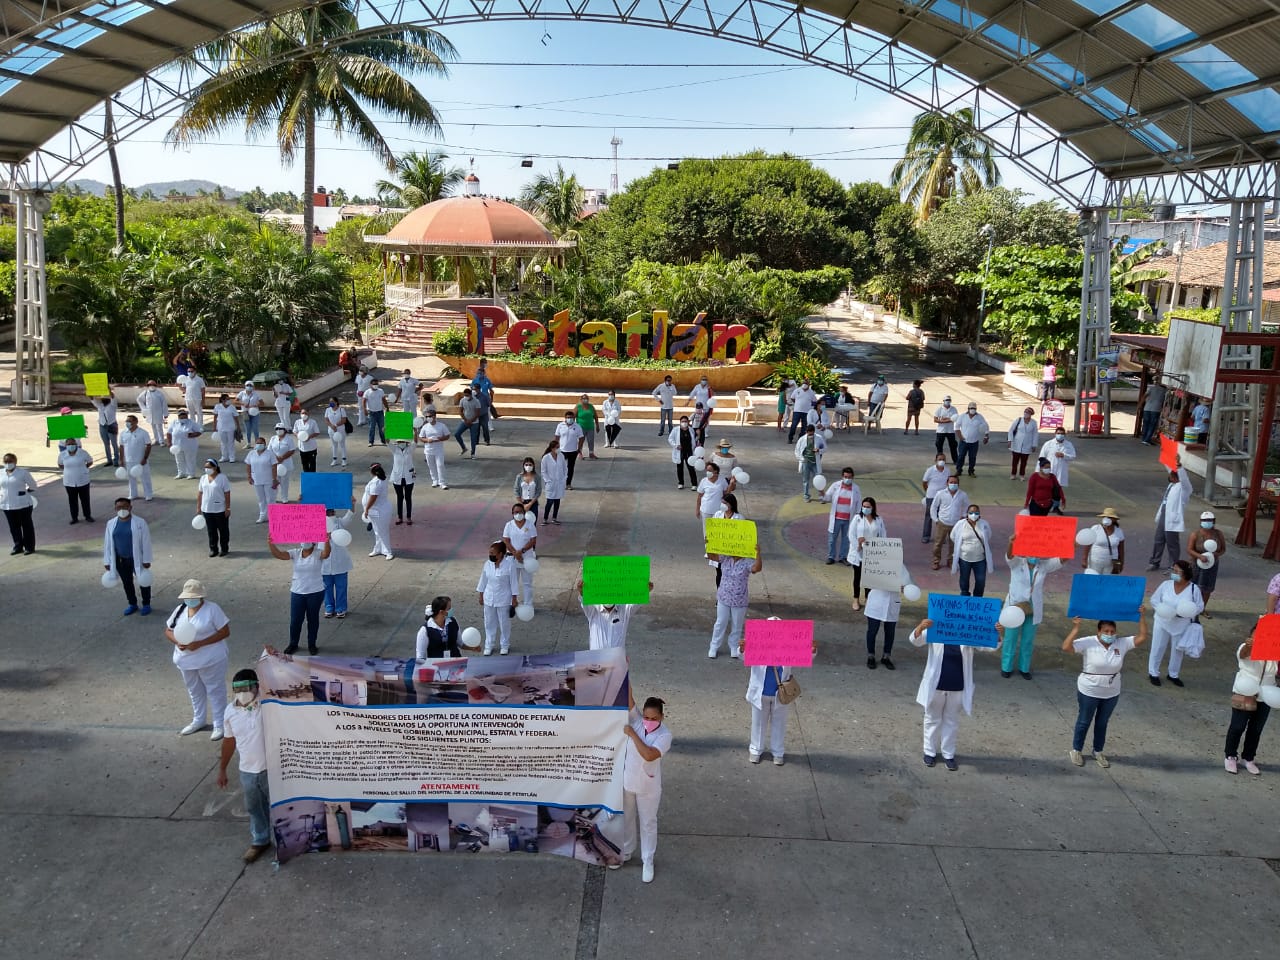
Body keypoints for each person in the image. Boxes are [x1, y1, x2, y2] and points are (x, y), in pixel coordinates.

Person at [909, 617, 999, 770]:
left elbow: (989, 647)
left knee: (951, 721)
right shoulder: (936, 629)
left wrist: (997, 634)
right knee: (932, 718)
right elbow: (915, 641)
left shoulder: (969, 633)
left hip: (958, 684)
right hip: (936, 684)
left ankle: (948, 754)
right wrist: (920, 627)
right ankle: (929, 752)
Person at [1062, 611, 1147, 768]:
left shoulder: (1121, 643)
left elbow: (1142, 637)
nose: (1109, 634)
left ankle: (1098, 751)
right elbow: (1066, 647)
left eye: (1112, 632)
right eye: (1106, 631)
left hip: (1111, 691)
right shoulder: (1088, 642)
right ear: (1098, 631)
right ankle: (1076, 750)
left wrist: (1142, 616)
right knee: (1084, 721)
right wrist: (1075, 628)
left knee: (1102, 722)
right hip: (1089, 689)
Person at [216, 668, 271, 863]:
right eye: (238, 689)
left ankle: (285, 839)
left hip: (271, 769)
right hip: (247, 770)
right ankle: (260, 840)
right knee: (254, 807)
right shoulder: (230, 711)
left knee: (279, 806)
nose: (243, 693)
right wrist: (222, 769)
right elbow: (229, 741)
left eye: (247, 687)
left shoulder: (267, 704)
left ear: (257, 686)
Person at [163, 578, 230, 739]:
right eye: (188, 597)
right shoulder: (180, 609)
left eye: (193, 597)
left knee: (215, 690)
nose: (190, 600)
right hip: (186, 661)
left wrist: (200, 643)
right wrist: (178, 642)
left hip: (210, 659)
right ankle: (198, 719)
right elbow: (168, 630)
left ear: (201, 597)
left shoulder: (212, 609)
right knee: (194, 690)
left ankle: (220, 724)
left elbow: (224, 632)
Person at [618, 691, 671, 883]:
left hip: (649, 787)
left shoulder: (665, 735)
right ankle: (626, 851)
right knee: (627, 818)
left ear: (662, 717)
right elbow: (628, 696)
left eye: (654, 718)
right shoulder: (637, 720)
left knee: (648, 824)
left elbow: (648, 755)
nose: (648, 721)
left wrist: (632, 734)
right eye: (646, 717)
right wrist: (624, 666)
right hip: (628, 782)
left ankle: (648, 860)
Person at [742, 627, 815, 766]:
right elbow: (744, 656)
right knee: (758, 723)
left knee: (779, 724)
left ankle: (778, 752)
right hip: (760, 693)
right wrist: (742, 649)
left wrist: (812, 650)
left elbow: (804, 656)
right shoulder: (757, 646)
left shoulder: (788, 648)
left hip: (781, 695)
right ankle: (755, 750)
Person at [999, 534, 1061, 679]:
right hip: (1015, 607)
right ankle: (1006, 667)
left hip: (1033, 607)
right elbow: (1009, 556)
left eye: (1037, 551)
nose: (1034, 554)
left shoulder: (1043, 565)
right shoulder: (1017, 563)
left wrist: (1071, 544)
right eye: (1031, 550)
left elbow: (1061, 560)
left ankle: (1024, 668)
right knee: (1010, 638)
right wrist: (1011, 543)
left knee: (1028, 639)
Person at [1225, 625, 1276, 775]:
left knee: (1256, 729)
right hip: (1245, 691)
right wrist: (1249, 645)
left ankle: (1248, 758)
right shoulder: (1245, 647)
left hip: (1266, 694)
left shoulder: (1273, 651)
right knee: (1238, 726)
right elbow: (1243, 654)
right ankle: (1230, 755)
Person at [268, 536, 331, 655]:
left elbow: (326, 553)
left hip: (315, 592)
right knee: (295, 620)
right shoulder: (295, 553)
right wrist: (271, 543)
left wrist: (327, 540)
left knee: (313, 619)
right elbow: (280, 555)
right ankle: (293, 643)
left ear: (313, 543)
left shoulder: (318, 554)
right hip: (297, 592)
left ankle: (312, 644)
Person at [1147, 560, 1204, 687]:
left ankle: (1173, 674)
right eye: (1173, 570)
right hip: (1162, 621)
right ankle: (1153, 672)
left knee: (1178, 649)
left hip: (1181, 624)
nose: (1173, 573)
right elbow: (1154, 600)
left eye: (1177, 571)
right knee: (1157, 647)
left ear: (1185, 574)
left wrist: (1186, 613)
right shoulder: (1166, 585)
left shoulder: (1194, 589)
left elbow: (1199, 607)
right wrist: (1164, 610)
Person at [707, 544, 762, 658]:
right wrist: (709, 545)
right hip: (724, 597)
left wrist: (758, 554)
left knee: (737, 625)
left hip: (739, 599)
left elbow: (757, 568)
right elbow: (712, 557)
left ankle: (734, 646)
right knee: (720, 622)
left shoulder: (747, 561)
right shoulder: (725, 557)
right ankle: (714, 646)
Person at [103, 497, 152, 615]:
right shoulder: (111, 523)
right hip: (120, 560)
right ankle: (132, 604)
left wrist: (146, 559)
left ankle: (146, 604)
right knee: (127, 583)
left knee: (143, 581)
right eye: (119, 507)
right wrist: (107, 561)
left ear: (130, 508)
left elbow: (146, 542)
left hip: (137, 559)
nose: (122, 509)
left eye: (124, 507)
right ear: (115, 508)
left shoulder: (140, 522)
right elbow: (108, 543)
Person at [576, 578, 649, 649]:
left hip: (617, 660)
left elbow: (638, 600)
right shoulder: (593, 610)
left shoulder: (625, 610)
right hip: (596, 660)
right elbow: (584, 600)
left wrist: (645, 589)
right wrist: (582, 592)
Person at [476, 540, 519, 656]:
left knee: (504, 623)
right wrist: (481, 595)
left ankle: (504, 645)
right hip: (489, 598)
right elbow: (483, 580)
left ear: (500, 554)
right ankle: (489, 645)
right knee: (489, 622)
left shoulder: (510, 565)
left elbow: (513, 583)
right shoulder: (487, 564)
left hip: (504, 599)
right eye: (489, 553)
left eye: (493, 553)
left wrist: (514, 599)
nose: (490, 555)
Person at [1148, 464, 1191, 570]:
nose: (1169, 475)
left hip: (1172, 519)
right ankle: (1154, 562)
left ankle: (1173, 565)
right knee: (1158, 540)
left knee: (1172, 544)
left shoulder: (1183, 488)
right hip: (1164, 516)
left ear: (1176, 476)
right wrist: (1167, 460)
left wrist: (1180, 467)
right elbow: (1170, 468)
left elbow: (1185, 480)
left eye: (1171, 474)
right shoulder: (1171, 485)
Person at [848, 496, 886, 611]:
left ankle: (868, 598)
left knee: (869, 578)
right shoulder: (857, 518)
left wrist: (879, 548)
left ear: (873, 507)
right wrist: (858, 546)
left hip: (872, 553)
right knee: (858, 577)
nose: (865, 508)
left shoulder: (878, 520)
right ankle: (856, 599)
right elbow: (851, 534)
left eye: (868, 507)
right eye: (863, 506)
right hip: (859, 552)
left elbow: (883, 534)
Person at [950, 503, 993, 597]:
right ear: (967, 513)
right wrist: (963, 547)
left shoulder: (984, 524)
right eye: (971, 512)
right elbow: (953, 536)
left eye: (976, 512)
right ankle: (965, 597)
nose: (974, 515)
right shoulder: (960, 524)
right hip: (964, 559)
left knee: (981, 580)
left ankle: (977, 598)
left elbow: (988, 535)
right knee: (964, 580)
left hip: (980, 559)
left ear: (979, 514)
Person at [1189, 511, 1226, 617]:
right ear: (1201, 522)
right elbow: (1190, 549)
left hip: (1212, 564)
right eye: (1205, 520)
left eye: (1209, 520)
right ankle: (1191, 608)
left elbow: (1223, 549)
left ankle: (1202, 609)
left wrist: (1217, 554)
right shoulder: (1195, 534)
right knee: (1194, 587)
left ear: (1213, 521)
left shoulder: (1218, 534)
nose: (1207, 522)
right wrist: (1200, 556)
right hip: (1196, 564)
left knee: (1207, 588)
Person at [930, 474, 970, 570]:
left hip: (956, 524)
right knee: (938, 544)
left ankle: (951, 561)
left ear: (958, 484)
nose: (953, 484)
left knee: (954, 545)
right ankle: (936, 561)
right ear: (947, 483)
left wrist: (964, 516)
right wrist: (935, 519)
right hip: (942, 522)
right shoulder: (940, 493)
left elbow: (967, 506)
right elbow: (934, 506)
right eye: (951, 482)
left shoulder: (963, 495)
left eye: (955, 482)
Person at [821, 467, 861, 564]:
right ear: (842, 476)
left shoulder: (856, 489)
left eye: (849, 477)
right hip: (836, 518)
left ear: (853, 477)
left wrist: (858, 518)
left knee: (846, 539)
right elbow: (827, 498)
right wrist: (821, 493)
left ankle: (843, 557)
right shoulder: (835, 486)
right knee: (832, 539)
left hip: (849, 519)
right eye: (846, 476)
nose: (847, 479)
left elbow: (858, 504)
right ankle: (831, 557)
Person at [322, 503, 355, 619]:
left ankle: (341, 608)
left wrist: (352, 503)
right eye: (327, 512)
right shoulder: (316, 524)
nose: (330, 514)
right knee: (327, 587)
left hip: (340, 562)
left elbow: (349, 515)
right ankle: (329, 607)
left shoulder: (339, 523)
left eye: (331, 512)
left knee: (341, 587)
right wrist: (302, 502)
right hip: (324, 563)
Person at [502, 502, 538, 608]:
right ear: (512, 513)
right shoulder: (509, 525)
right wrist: (515, 553)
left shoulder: (529, 525)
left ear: (524, 512)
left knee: (527, 583)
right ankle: (512, 602)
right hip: (512, 559)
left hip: (526, 558)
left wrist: (521, 551)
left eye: (520, 512)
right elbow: (506, 540)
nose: (518, 514)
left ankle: (528, 604)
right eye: (516, 512)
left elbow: (533, 540)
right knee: (513, 582)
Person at [2, 453, 38, 554]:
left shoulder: (23, 473)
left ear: (15, 462)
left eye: (10, 461)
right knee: (13, 527)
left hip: (23, 505)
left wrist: (25, 491)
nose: (8, 463)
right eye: (6, 462)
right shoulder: (1, 473)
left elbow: (33, 486)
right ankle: (18, 546)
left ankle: (29, 547)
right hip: (7, 505)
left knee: (26, 526)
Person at [196, 459, 232, 557]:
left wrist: (227, 508)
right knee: (211, 531)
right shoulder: (203, 478)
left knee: (223, 530)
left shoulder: (222, 478)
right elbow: (200, 493)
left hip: (220, 509)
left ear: (215, 467)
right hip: (207, 509)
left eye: (209, 467)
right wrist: (198, 507)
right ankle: (213, 549)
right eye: (205, 467)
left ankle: (224, 548)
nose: (206, 469)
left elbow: (227, 493)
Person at [58, 437, 94, 524]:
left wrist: (83, 468)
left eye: (73, 444)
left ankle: (87, 516)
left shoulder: (83, 453)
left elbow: (90, 461)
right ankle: (74, 517)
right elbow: (60, 465)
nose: (71, 446)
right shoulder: (62, 455)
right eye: (69, 444)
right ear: (66, 445)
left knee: (85, 499)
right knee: (72, 501)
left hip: (83, 481)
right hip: (69, 482)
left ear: (76, 444)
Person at [362, 462, 393, 560]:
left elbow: (373, 497)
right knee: (377, 531)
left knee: (382, 531)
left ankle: (388, 552)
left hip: (379, 510)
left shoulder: (377, 482)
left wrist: (366, 508)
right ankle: (378, 549)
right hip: (376, 510)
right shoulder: (379, 479)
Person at [1038, 428, 1075, 509]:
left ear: (1065, 435)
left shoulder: (1068, 445)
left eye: (1062, 433)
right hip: (1049, 470)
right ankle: (1046, 504)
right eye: (1058, 433)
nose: (1060, 435)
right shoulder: (1048, 444)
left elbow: (1073, 456)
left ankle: (1055, 506)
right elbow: (1041, 457)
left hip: (1061, 470)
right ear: (1055, 434)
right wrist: (1039, 471)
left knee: (1058, 489)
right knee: (1048, 488)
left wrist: (1064, 455)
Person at [244, 436, 278, 523]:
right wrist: (249, 476)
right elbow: (248, 465)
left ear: (265, 444)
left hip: (268, 479)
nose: (259, 445)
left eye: (261, 443)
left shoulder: (270, 453)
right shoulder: (251, 453)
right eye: (257, 443)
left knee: (270, 498)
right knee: (261, 499)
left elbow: (274, 466)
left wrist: (274, 479)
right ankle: (263, 515)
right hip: (257, 480)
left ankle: (272, 515)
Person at [119, 415, 154, 501]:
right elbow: (121, 446)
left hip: (140, 460)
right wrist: (121, 459)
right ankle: (133, 494)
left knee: (145, 478)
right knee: (131, 478)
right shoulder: (123, 433)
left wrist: (145, 458)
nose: (127, 423)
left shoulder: (143, 433)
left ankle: (148, 494)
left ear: (135, 422)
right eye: (126, 421)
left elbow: (148, 445)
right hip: (128, 460)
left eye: (130, 421)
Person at [864, 587, 901, 670]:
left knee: (890, 632)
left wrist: (904, 587)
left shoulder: (904, 573)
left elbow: (910, 586)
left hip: (893, 601)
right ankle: (871, 655)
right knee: (872, 630)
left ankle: (886, 656)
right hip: (876, 601)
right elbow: (867, 580)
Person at [1082, 508, 1125, 575]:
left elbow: (1121, 549)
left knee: (1107, 582)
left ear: (1114, 520)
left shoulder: (1119, 531)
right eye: (1105, 517)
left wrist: (1121, 563)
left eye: (1110, 517)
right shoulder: (1095, 528)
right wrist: (1084, 559)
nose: (1107, 518)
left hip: (1111, 564)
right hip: (1094, 562)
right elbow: (1088, 544)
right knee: (1093, 580)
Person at [696, 462, 735, 534]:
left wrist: (731, 484)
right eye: (707, 470)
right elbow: (699, 496)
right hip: (706, 510)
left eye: (710, 471)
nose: (708, 472)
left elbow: (726, 494)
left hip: (718, 511)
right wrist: (697, 509)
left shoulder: (722, 480)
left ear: (715, 471)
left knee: (718, 531)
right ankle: (707, 545)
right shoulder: (704, 481)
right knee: (707, 531)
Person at [920, 452, 950, 544]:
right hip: (931, 496)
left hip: (942, 497)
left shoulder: (947, 471)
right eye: (940, 459)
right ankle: (926, 536)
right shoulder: (930, 470)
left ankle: (941, 537)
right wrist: (928, 492)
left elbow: (948, 483)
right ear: (935, 460)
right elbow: (924, 482)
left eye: (943, 459)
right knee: (929, 516)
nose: (942, 461)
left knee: (942, 517)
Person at [166, 408, 203, 480]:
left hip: (190, 445)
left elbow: (200, 431)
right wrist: (169, 442)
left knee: (190, 459)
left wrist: (193, 434)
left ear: (187, 415)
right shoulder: (174, 422)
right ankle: (181, 473)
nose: (182, 417)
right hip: (177, 445)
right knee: (179, 460)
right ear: (178, 416)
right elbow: (169, 433)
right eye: (181, 415)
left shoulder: (191, 422)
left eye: (184, 415)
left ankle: (191, 473)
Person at [418, 410, 450, 489]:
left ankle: (442, 482)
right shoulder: (425, 427)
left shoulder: (441, 426)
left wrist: (440, 439)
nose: (428, 418)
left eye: (430, 416)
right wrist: (427, 440)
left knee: (440, 465)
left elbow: (447, 436)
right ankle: (435, 480)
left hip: (439, 450)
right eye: (426, 417)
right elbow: (421, 437)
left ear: (434, 417)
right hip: (428, 450)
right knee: (431, 466)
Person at [956, 402, 990, 477]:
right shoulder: (962, 416)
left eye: (974, 408)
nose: (972, 410)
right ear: (968, 409)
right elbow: (957, 427)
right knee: (961, 456)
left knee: (972, 457)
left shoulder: (980, 417)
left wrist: (986, 436)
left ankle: (971, 471)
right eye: (971, 408)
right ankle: (959, 470)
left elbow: (986, 426)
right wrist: (960, 437)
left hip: (974, 442)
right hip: (963, 441)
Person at [794, 424, 826, 502]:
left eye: (811, 434)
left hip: (815, 462)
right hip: (806, 462)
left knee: (819, 479)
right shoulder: (802, 439)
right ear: (806, 432)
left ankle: (821, 496)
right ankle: (806, 495)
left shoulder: (819, 438)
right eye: (809, 433)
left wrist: (819, 450)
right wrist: (802, 459)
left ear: (814, 432)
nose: (810, 435)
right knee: (806, 480)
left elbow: (825, 448)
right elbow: (797, 451)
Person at [1007, 407, 1039, 481]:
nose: (1026, 413)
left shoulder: (1033, 423)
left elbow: (1035, 434)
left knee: (1024, 461)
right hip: (1016, 443)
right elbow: (1011, 430)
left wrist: (1034, 445)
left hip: (1027, 444)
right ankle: (1013, 474)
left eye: (1028, 412)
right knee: (1015, 460)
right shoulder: (1018, 420)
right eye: (1025, 412)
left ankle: (1022, 475)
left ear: (1031, 414)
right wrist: (1010, 440)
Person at [267, 423, 297, 503]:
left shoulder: (289, 439)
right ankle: (274, 497)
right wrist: (276, 458)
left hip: (286, 463)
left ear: (284, 430)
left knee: (284, 481)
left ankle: (284, 497)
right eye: (276, 429)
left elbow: (292, 450)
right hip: (274, 463)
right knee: (274, 480)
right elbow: (269, 450)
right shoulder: (273, 438)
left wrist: (282, 457)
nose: (278, 430)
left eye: (280, 429)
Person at [555, 410, 585, 489]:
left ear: (574, 418)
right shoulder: (560, 426)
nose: (569, 419)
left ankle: (568, 484)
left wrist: (579, 448)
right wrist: (555, 448)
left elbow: (581, 438)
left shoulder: (577, 426)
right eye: (568, 417)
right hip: (562, 450)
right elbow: (557, 437)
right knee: (560, 467)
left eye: (571, 418)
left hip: (573, 451)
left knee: (570, 468)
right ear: (565, 418)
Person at [389, 439, 416, 526]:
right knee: (399, 497)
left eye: (403, 442)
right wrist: (385, 432)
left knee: (408, 497)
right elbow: (386, 441)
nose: (402, 443)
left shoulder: (410, 449)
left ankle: (409, 517)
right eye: (400, 442)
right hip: (397, 477)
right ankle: (399, 517)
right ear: (398, 443)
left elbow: (415, 441)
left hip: (408, 477)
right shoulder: (394, 449)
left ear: (406, 443)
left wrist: (415, 431)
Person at [540, 439, 567, 525]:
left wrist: (564, 478)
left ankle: (554, 518)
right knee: (550, 501)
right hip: (550, 483)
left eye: (559, 447)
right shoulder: (546, 458)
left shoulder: (561, 456)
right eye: (557, 447)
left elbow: (565, 468)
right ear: (552, 448)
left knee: (557, 501)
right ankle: (545, 518)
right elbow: (543, 471)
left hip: (559, 482)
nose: (558, 449)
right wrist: (548, 480)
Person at [91, 390, 120, 467]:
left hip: (112, 424)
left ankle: (116, 460)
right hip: (102, 425)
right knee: (106, 444)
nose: (103, 399)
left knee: (114, 443)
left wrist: (107, 388)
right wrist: (90, 389)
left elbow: (113, 396)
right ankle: (109, 460)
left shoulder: (113, 404)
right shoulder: (100, 405)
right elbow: (92, 398)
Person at [452, 386, 482, 459]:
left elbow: (477, 413)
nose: (466, 397)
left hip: (474, 422)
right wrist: (465, 420)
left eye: (467, 395)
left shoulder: (476, 401)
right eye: (465, 395)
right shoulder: (462, 400)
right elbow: (460, 411)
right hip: (465, 421)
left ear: (470, 394)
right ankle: (463, 448)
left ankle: (473, 453)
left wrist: (471, 420)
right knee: (457, 434)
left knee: (473, 438)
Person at [669, 415, 698, 489]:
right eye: (682, 421)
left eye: (685, 421)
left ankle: (694, 484)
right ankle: (681, 483)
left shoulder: (691, 430)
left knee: (691, 467)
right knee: (680, 468)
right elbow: (670, 439)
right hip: (680, 451)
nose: (684, 423)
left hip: (689, 451)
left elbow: (694, 440)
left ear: (688, 422)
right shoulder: (676, 430)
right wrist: (676, 445)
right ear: (680, 422)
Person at [138, 379, 169, 445]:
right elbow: (139, 400)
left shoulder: (159, 394)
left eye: (153, 384)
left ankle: (162, 441)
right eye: (149, 385)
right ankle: (156, 440)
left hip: (158, 413)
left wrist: (165, 413)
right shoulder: (145, 393)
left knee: (159, 428)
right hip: (150, 414)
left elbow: (164, 404)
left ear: (156, 385)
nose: (151, 386)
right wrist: (144, 410)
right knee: (153, 427)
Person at [469, 363, 495, 443]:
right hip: (476, 401)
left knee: (487, 415)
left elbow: (491, 390)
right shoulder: (475, 380)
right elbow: (471, 390)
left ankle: (489, 429)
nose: (479, 374)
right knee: (476, 424)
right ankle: (476, 440)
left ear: (484, 373)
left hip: (485, 399)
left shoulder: (487, 380)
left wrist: (491, 399)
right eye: (478, 373)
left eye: (481, 373)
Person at [786, 378, 817, 443]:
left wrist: (810, 407)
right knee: (794, 425)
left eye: (806, 383)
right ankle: (790, 438)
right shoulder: (797, 390)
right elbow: (792, 398)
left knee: (804, 427)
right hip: (797, 411)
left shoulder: (811, 392)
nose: (805, 384)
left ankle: (801, 439)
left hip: (806, 412)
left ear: (809, 384)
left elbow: (814, 401)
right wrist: (798, 403)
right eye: (804, 383)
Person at [212, 394, 239, 463]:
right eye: (227, 399)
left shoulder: (232, 407)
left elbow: (236, 417)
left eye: (229, 399)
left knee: (231, 443)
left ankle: (232, 457)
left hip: (231, 427)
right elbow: (215, 417)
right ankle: (224, 457)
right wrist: (214, 427)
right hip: (221, 427)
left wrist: (238, 427)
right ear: (222, 400)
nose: (228, 400)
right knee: (223, 443)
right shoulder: (217, 406)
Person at [237, 380, 264, 449]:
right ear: (245, 386)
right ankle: (248, 443)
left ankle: (257, 443)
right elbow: (235, 400)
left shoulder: (256, 394)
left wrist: (256, 404)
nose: (249, 387)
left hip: (254, 412)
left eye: (250, 385)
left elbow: (262, 403)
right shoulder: (242, 393)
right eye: (247, 385)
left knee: (255, 428)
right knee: (247, 428)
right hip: (245, 412)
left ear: (253, 386)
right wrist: (243, 404)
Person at [932, 395, 959, 463]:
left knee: (953, 446)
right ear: (943, 401)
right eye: (946, 400)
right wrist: (948, 419)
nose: (948, 401)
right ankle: (940, 459)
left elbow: (955, 419)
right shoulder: (939, 409)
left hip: (950, 431)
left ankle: (955, 460)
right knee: (939, 445)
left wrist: (943, 420)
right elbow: (935, 419)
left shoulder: (953, 409)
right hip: (941, 431)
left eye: (949, 400)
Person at [323, 396, 348, 467]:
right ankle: (334, 459)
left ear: (336, 402)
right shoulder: (328, 410)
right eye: (330, 402)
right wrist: (331, 426)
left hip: (340, 430)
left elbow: (344, 420)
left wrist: (336, 425)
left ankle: (344, 459)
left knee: (342, 444)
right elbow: (326, 420)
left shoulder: (341, 410)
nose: (331, 403)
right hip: (331, 430)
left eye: (332, 402)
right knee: (334, 445)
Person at [362, 378, 387, 445]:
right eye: (374, 384)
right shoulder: (367, 392)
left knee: (381, 428)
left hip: (380, 412)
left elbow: (384, 400)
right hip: (371, 413)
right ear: (370, 385)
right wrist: (364, 409)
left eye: (376, 384)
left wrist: (387, 408)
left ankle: (383, 440)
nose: (375, 385)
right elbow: (364, 401)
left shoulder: (381, 391)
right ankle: (371, 441)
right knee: (371, 428)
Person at [293, 408, 319, 473]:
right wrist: (298, 436)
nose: (304, 414)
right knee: (305, 465)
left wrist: (309, 437)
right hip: (302, 448)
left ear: (308, 414)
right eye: (302, 413)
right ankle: (307, 479)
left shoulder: (313, 422)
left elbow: (317, 432)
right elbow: (294, 431)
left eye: (305, 413)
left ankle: (313, 479)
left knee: (312, 465)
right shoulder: (297, 422)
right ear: (300, 414)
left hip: (311, 448)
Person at [575, 394, 600, 460]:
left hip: (590, 427)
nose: (585, 400)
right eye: (583, 398)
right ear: (581, 400)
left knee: (590, 440)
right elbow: (573, 416)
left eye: (586, 398)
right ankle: (579, 453)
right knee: (581, 441)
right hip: (581, 427)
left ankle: (591, 453)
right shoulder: (578, 407)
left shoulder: (591, 406)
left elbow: (595, 416)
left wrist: (597, 425)